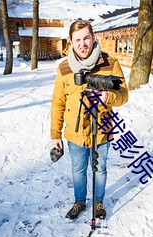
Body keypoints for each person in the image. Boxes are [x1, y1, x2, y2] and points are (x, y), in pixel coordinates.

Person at [50, 20, 128, 220]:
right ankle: (79, 202)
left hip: (102, 129)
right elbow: (58, 102)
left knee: (100, 168)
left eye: (86, 38)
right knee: (78, 170)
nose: (82, 43)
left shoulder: (110, 63)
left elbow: (124, 95)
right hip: (75, 132)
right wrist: (55, 134)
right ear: (71, 42)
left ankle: (99, 202)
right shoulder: (64, 68)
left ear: (93, 38)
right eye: (77, 40)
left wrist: (108, 97)